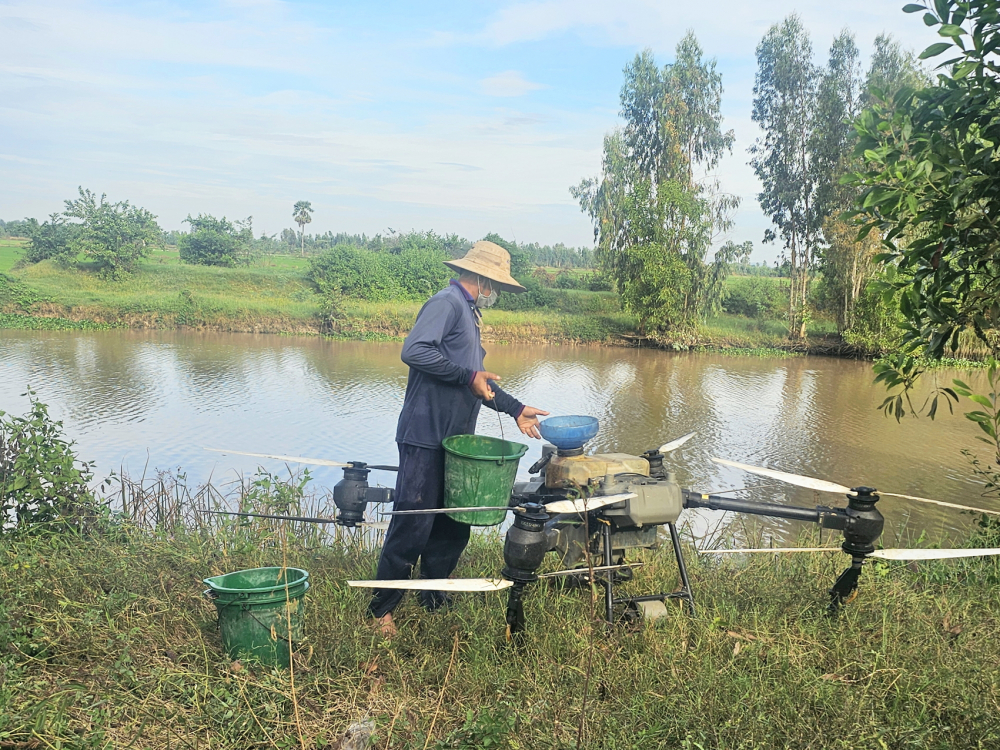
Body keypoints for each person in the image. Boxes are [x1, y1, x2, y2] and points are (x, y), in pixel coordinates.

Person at [369, 240, 549, 636]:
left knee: (454, 523)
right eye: (496, 284)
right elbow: (414, 350)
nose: (497, 292)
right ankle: (381, 611)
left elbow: (478, 383)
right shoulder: (447, 303)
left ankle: (433, 596)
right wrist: (468, 376)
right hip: (425, 433)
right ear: (482, 278)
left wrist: (516, 409)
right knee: (414, 523)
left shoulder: (469, 313)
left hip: (456, 442)